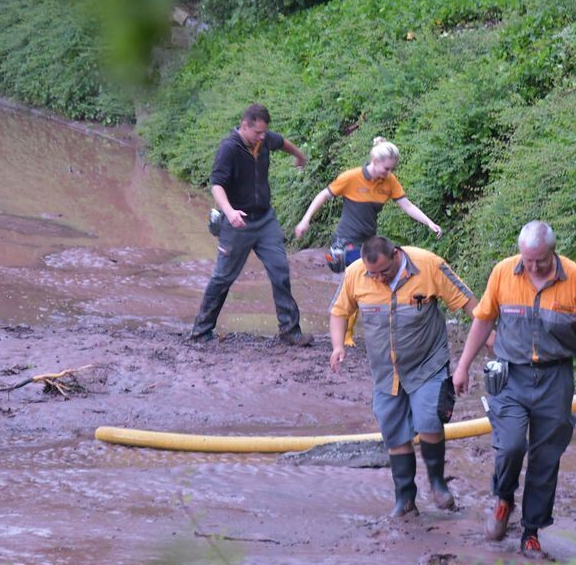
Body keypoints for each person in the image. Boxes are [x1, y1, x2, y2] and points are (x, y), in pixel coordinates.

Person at [452, 220, 576, 560]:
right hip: (511, 376)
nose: (532, 267)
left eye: (539, 260)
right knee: (509, 446)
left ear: (553, 251)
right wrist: (462, 366)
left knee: (546, 457)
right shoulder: (503, 272)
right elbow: (483, 319)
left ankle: (531, 532)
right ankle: (503, 498)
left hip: (555, 378)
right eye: (527, 259)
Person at [329, 235, 477, 517]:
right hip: (386, 372)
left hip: (428, 364)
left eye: (384, 272)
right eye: (373, 274)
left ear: (396, 254)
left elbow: (469, 302)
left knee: (429, 421)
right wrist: (338, 346)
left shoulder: (429, 265)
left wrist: (490, 337)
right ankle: (405, 500)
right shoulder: (354, 275)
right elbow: (339, 312)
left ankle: (436, 482)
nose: (379, 278)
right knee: (394, 433)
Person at [189, 103, 313, 346]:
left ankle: (290, 331)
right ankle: (201, 331)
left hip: (265, 220)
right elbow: (217, 185)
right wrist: (229, 211)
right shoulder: (229, 148)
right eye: (257, 132)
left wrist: (299, 155)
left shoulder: (264, 139)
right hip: (237, 222)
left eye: (264, 132)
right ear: (244, 126)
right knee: (223, 277)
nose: (262, 136)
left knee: (280, 271)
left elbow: (282, 142)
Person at [294, 137, 442, 268]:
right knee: (363, 269)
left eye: (392, 169)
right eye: (386, 169)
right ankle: (332, 256)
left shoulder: (389, 181)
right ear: (375, 161)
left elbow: (407, 205)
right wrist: (305, 220)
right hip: (346, 240)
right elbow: (324, 195)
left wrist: (429, 222)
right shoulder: (351, 177)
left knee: (376, 270)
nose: (389, 173)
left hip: (369, 241)